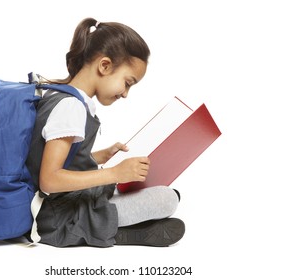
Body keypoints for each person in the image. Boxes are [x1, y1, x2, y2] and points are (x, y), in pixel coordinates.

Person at [26, 18, 185, 247]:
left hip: (64, 202)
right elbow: (49, 180)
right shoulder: (71, 107)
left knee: (161, 195)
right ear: (105, 66)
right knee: (167, 199)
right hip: (57, 217)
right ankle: (110, 231)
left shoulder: (63, 97)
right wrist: (114, 174)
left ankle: (111, 224)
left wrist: (102, 156)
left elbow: (60, 160)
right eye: (128, 82)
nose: (126, 93)